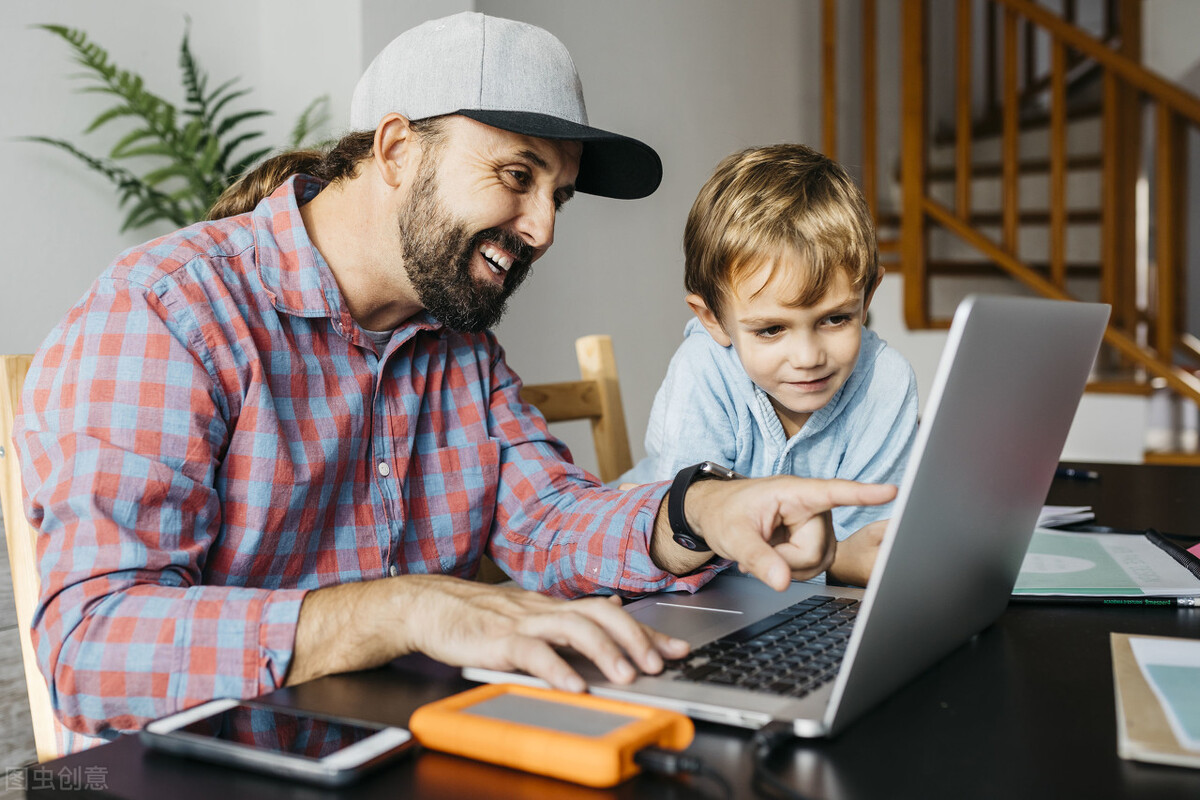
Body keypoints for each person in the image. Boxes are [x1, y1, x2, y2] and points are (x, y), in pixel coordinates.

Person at [14, 13, 895, 750]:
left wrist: (699, 510)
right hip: (206, 764)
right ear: (397, 147)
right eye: (518, 175)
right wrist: (398, 610)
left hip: (413, 744)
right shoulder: (169, 311)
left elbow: (548, 522)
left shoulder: (455, 345)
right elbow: (91, 649)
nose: (544, 227)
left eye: (560, 193)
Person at [618, 144, 919, 587]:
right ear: (713, 320)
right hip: (650, 576)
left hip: (786, 605)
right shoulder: (703, 369)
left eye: (836, 319)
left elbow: (872, 544)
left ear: (867, 297)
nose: (808, 357)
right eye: (771, 330)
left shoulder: (887, 383)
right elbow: (687, 543)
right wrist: (833, 561)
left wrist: (835, 557)